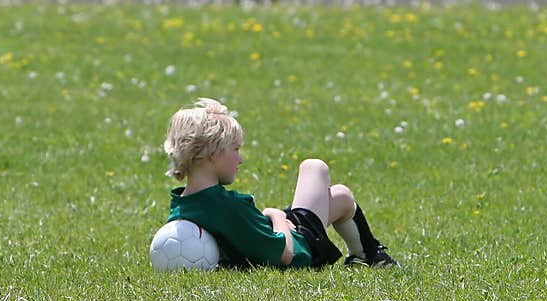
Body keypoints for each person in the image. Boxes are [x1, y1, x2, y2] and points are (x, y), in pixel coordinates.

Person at [162, 98, 399, 270]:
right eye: (235, 149)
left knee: (338, 197)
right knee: (315, 168)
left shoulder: (183, 204)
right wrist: (276, 217)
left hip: (280, 235)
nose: (241, 159)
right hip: (303, 249)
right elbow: (285, 255)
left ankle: (366, 255)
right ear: (211, 153)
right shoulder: (226, 207)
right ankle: (368, 254)